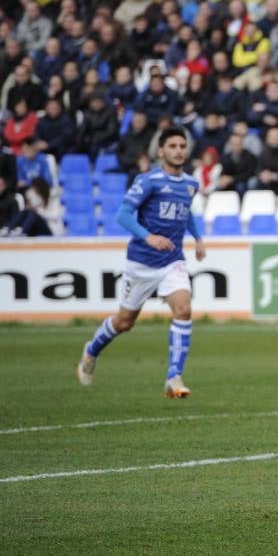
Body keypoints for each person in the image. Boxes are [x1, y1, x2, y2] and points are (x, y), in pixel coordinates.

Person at [76, 127, 205, 398]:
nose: (179, 150)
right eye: (173, 145)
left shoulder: (191, 184)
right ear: (161, 151)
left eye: (182, 145)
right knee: (124, 322)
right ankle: (92, 350)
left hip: (172, 261)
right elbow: (123, 215)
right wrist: (149, 237)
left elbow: (186, 213)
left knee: (183, 309)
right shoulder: (148, 181)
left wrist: (198, 238)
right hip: (141, 263)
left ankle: (174, 376)